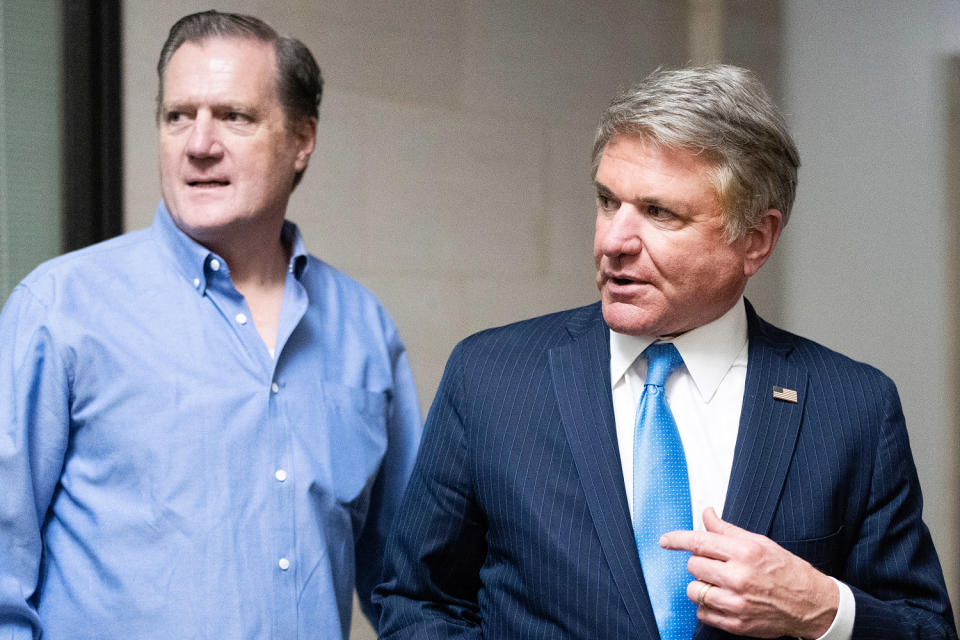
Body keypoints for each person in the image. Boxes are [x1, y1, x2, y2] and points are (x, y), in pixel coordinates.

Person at [375, 65, 956, 639]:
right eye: (607, 202)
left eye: (658, 213)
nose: (613, 241)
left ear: (755, 239)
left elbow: (926, 628)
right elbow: (418, 604)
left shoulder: (852, 406)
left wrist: (822, 608)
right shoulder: (492, 376)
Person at [0, 10, 421, 639]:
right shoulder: (59, 310)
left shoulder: (363, 328)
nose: (199, 143)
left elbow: (411, 587)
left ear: (302, 139)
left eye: (234, 116)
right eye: (178, 116)